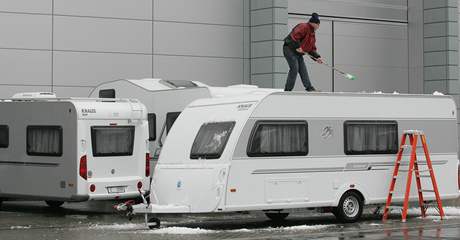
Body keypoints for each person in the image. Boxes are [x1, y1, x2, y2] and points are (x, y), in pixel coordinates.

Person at [283, 12, 323, 91]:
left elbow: (311, 49)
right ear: (314, 23)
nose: (319, 27)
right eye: (318, 24)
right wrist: (297, 46)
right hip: (289, 49)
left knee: (303, 69)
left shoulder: (312, 34)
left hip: (298, 53)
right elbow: (293, 36)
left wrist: (317, 57)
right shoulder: (303, 26)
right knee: (295, 68)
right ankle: (287, 90)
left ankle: (309, 88)